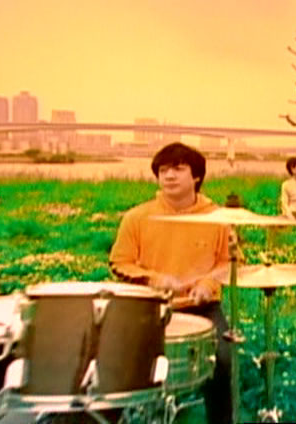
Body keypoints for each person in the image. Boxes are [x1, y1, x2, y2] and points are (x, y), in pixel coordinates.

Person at [109, 142, 234, 424]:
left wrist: (207, 284)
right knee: (115, 358)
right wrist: (153, 278)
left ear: (196, 176)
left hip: (201, 308)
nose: (169, 176)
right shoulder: (137, 217)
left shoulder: (218, 219)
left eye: (178, 169)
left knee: (223, 360)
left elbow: (228, 263)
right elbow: (119, 263)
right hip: (148, 307)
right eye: (163, 170)